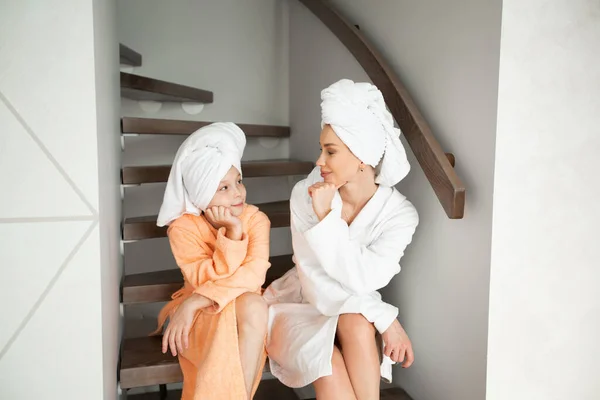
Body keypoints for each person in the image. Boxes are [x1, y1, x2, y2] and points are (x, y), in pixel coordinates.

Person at [264, 79, 419, 400]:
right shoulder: (305, 195)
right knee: (329, 364)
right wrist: (385, 317)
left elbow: (367, 277)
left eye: (330, 152)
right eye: (321, 149)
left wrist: (327, 222)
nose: (319, 161)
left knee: (357, 323)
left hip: (352, 311)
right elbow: (315, 281)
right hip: (302, 304)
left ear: (362, 157)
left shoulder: (400, 215)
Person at [152, 122, 271, 400]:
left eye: (238, 181)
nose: (238, 193)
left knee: (254, 303)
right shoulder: (183, 229)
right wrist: (232, 234)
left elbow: (253, 277)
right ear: (203, 194)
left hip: (219, 303)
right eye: (224, 187)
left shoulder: (256, 220)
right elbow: (204, 278)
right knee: (242, 312)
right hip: (204, 313)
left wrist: (196, 301)